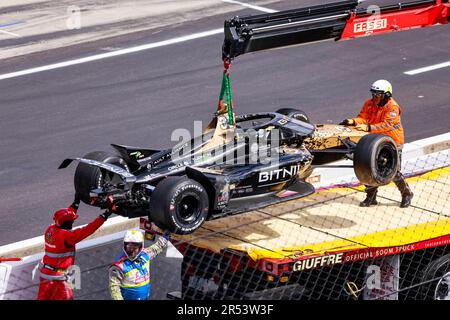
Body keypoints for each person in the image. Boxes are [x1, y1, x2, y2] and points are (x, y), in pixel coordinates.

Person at [339, 79, 413, 208]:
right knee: (368, 168)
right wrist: (353, 121)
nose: (374, 97)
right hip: (373, 141)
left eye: (377, 94)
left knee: (393, 171)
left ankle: (407, 194)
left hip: (391, 142)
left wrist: (368, 128)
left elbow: (387, 125)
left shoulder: (393, 107)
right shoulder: (369, 103)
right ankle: (371, 197)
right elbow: (363, 117)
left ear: (386, 95)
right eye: (373, 93)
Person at [37, 197, 116, 300]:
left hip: (45, 274)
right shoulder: (67, 237)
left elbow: (65, 216)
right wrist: (106, 214)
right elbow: (88, 229)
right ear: (67, 223)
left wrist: (76, 202)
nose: (73, 222)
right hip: (59, 278)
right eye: (71, 221)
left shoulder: (50, 229)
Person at [109, 229, 169, 300]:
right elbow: (114, 288)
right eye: (129, 247)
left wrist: (165, 237)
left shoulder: (145, 254)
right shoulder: (118, 266)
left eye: (135, 247)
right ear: (125, 246)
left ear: (140, 247)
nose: (132, 250)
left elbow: (158, 247)